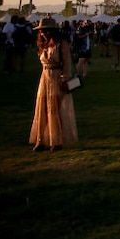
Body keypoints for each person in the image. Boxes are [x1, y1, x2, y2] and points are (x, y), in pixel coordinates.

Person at [29, 18, 78, 152]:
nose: (43, 33)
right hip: (44, 78)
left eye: (45, 31)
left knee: (54, 109)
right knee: (42, 107)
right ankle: (41, 139)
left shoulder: (61, 44)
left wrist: (64, 78)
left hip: (57, 77)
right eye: (41, 31)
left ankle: (56, 140)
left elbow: (67, 62)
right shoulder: (43, 44)